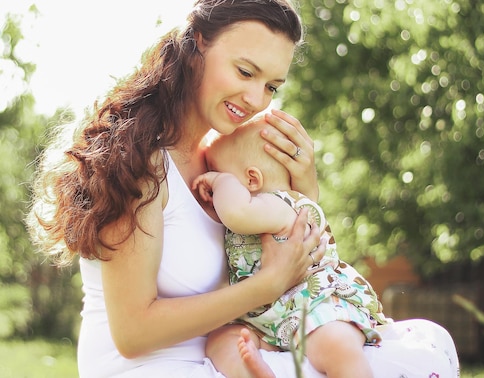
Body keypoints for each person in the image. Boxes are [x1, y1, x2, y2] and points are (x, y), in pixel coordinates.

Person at [26, 0, 460, 377]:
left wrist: (302, 192)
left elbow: (304, 276)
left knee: (419, 347)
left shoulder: (232, 161)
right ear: (197, 44)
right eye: (245, 71)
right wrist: (264, 287)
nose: (256, 98)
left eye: (271, 86)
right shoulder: (139, 161)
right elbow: (133, 334)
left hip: (225, 359)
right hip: (152, 369)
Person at [192, 118, 390, 377]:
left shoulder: (280, 206)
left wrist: (220, 183)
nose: (208, 178)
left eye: (218, 170)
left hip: (313, 307)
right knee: (221, 341)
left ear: (252, 179)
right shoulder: (258, 207)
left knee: (336, 345)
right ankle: (254, 372)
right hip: (265, 319)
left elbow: (236, 213)